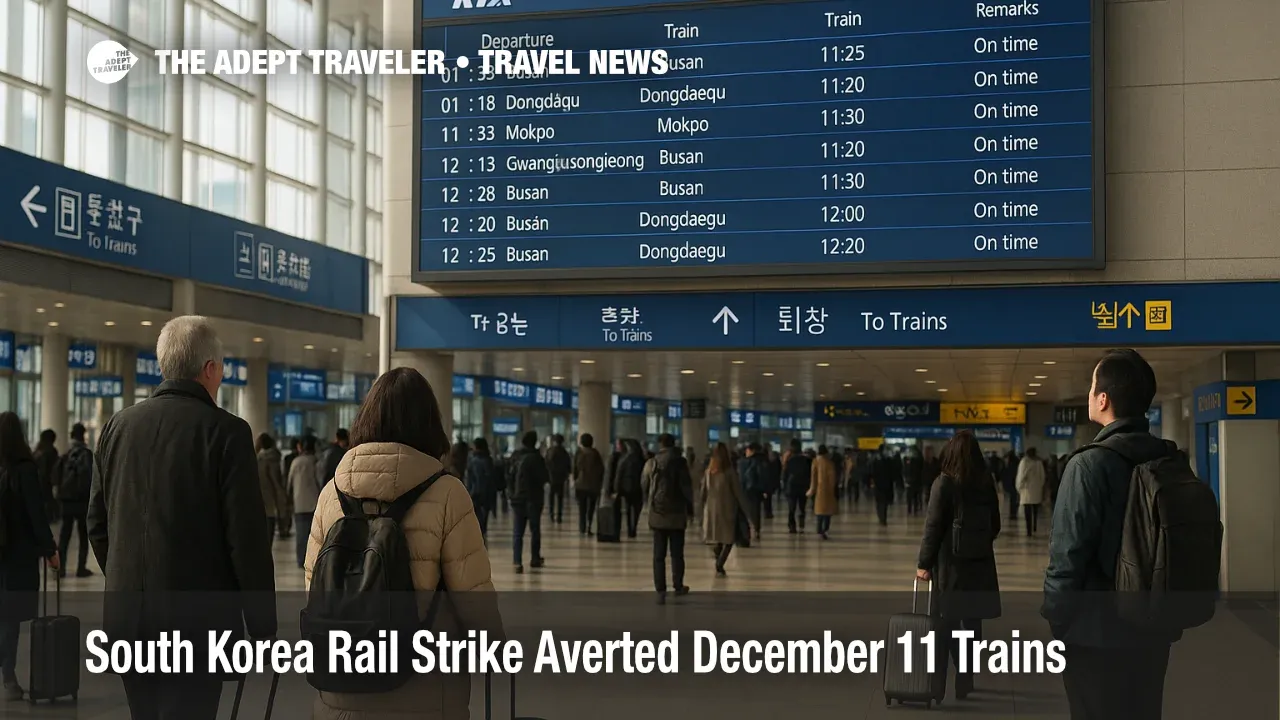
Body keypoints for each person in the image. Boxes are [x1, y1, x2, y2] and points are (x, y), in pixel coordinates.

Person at [88, 316, 275, 720]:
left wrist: (131, 578)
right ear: (209, 369)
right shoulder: (227, 432)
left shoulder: (118, 427)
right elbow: (245, 539)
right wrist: (262, 622)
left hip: (127, 621)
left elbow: (97, 524)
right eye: (221, 369)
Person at [303, 367, 501, 720]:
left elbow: (314, 586)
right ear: (430, 425)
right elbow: (473, 596)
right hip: (426, 691)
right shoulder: (447, 493)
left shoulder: (330, 493)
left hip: (340, 685)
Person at [1043, 349, 1178, 720]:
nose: (1088, 394)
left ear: (1103, 399)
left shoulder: (1088, 464)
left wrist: (1058, 619)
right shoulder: (1167, 458)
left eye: (1091, 387)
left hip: (1096, 633)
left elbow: (1066, 556)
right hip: (1153, 627)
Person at [916, 430, 1002, 700]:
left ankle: (959, 670)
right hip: (980, 562)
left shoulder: (944, 483)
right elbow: (995, 524)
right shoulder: (985, 482)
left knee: (950, 620)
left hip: (951, 564)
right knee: (973, 620)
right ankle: (967, 674)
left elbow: (933, 527)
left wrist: (923, 563)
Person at [0, 412, 59, 700]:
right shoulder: (24, 469)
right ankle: (8, 676)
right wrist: (49, 550)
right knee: (10, 617)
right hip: (17, 556)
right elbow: (36, 515)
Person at [642, 433, 693, 603]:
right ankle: (678, 585)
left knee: (659, 554)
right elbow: (687, 488)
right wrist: (691, 509)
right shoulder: (681, 462)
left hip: (658, 514)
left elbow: (644, 484)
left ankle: (660, 589)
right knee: (677, 553)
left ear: (660, 444)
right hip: (677, 514)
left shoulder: (652, 462)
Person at [701, 442, 752, 577]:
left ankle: (718, 558)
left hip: (711, 509)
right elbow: (738, 493)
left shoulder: (708, 471)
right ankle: (720, 563)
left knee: (715, 537)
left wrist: (700, 508)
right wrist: (747, 511)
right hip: (727, 509)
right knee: (728, 539)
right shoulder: (729, 472)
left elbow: (703, 492)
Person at [56, 423, 94, 578]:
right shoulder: (86, 454)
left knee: (64, 535)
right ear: (83, 435)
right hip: (81, 501)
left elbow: (56, 476)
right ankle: (81, 568)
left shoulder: (66, 454)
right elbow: (90, 478)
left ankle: (61, 569)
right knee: (83, 535)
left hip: (66, 500)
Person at [507, 431, 548, 573]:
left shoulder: (515, 456)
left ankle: (517, 561)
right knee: (534, 529)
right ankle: (535, 558)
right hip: (534, 499)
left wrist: (511, 494)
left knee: (518, 531)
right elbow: (544, 477)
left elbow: (508, 476)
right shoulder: (537, 458)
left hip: (517, 499)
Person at [288, 434, 323, 569]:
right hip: (314, 503)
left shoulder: (295, 462)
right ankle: (313, 560)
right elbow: (320, 481)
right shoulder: (316, 462)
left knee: (300, 535)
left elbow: (289, 483)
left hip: (299, 504)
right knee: (315, 536)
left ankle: (300, 559)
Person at [255, 434, 291, 540]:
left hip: (261, 501)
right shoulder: (274, 459)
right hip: (271, 502)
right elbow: (277, 483)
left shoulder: (257, 460)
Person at [464, 437, 499, 540]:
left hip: (475, 497)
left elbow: (472, 481)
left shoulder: (473, 461)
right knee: (483, 525)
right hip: (486, 497)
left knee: (475, 525)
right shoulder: (489, 460)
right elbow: (491, 482)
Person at [613, 439, 646, 539]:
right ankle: (633, 527)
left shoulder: (625, 459)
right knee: (636, 508)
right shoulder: (642, 459)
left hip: (627, 487)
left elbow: (619, 474)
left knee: (628, 509)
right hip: (638, 487)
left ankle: (629, 528)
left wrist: (616, 488)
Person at [573, 433, 604, 535]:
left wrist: (575, 479)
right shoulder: (596, 454)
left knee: (582, 508)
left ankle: (582, 527)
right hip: (593, 485)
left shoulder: (578, 453)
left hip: (581, 484)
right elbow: (601, 470)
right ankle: (589, 526)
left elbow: (574, 469)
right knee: (591, 507)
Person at [808, 445, 838, 540]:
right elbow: (833, 478)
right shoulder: (830, 463)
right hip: (829, 490)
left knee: (819, 511)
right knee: (827, 512)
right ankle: (825, 529)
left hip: (818, 490)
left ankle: (819, 528)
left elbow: (813, 477)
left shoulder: (815, 462)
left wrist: (811, 489)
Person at [782, 438, 813, 533]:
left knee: (792, 508)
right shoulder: (807, 460)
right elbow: (810, 474)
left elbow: (785, 475)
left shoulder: (789, 460)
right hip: (803, 486)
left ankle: (792, 526)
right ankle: (801, 524)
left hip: (791, 487)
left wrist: (784, 486)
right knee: (802, 507)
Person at [1016, 447, 1047, 536]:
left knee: (1027, 511)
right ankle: (1034, 526)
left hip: (1026, 490)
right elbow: (1043, 477)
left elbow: (1020, 476)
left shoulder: (1024, 462)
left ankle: (1029, 529)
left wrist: (1019, 487)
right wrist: (1040, 486)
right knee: (1035, 509)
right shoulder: (1039, 462)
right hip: (1036, 489)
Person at [736, 443, 765, 540]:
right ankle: (756, 530)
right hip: (754, 490)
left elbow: (739, 476)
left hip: (743, 489)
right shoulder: (759, 461)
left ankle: (745, 531)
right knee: (755, 511)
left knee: (743, 511)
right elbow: (761, 476)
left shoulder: (741, 462)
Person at [543, 433, 571, 524]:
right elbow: (568, 465)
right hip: (561, 477)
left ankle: (551, 514)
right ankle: (559, 516)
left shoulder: (550, 451)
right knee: (560, 497)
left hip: (552, 477)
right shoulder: (564, 452)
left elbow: (546, 463)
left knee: (551, 496)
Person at [32, 429, 59, 521]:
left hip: (37, 480)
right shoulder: (52, 451)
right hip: (48, 480)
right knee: (49, 499)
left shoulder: (37, 451)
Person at [871, 445, 896, 526]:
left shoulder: (883, 460)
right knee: (882, 503)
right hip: (882, 485)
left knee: (882, 503)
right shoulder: (883, 460)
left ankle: (882, 518)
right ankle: (882, 518)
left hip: (883, 485)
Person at [761, 442, 780, 519]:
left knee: (766, 498)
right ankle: (768, 512)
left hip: (764, 481)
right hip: (768, 481)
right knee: (768, 498)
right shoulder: (769, 459)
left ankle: (767, 512)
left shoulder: (763, 459)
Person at [1001, 450, 1021, 521]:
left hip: (1011, 483)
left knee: (1013, 499)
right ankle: (1013, 513)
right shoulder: (1017, 462)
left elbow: (1005, 473)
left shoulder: (1009, 463)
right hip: (1015, 483)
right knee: (1014, 499)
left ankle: (1012, 514)